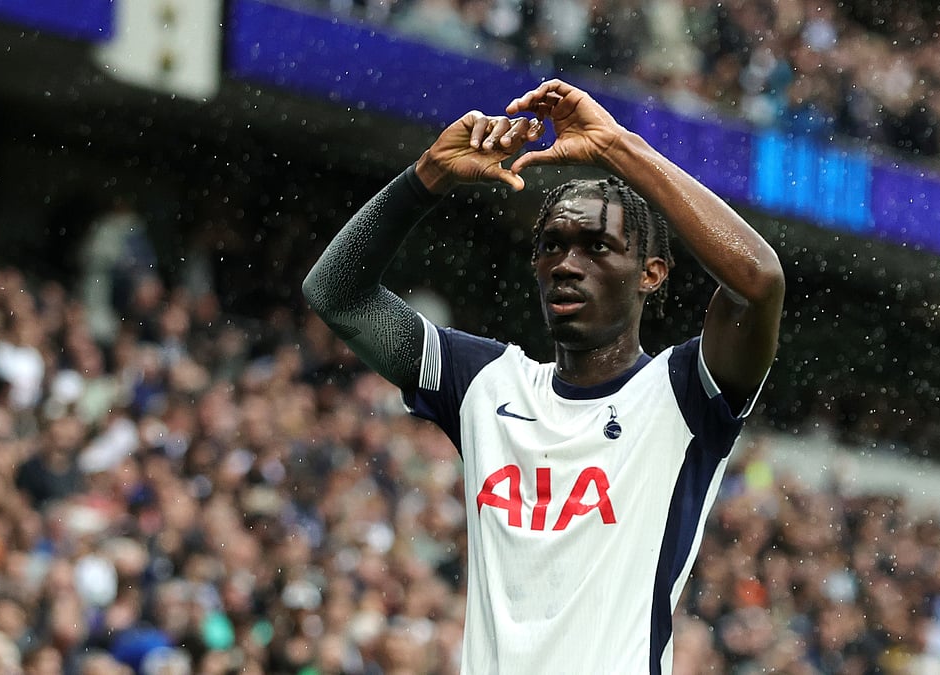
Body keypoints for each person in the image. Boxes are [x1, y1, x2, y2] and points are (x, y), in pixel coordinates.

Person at [302, 79, 784, 673]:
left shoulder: (683, 394)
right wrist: (428, 175)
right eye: (552, 246)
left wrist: (618, 148)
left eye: (596, 247)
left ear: (651, 273)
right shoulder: (485, 384)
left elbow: (759, 282)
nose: (566, 265)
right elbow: (336, 294)